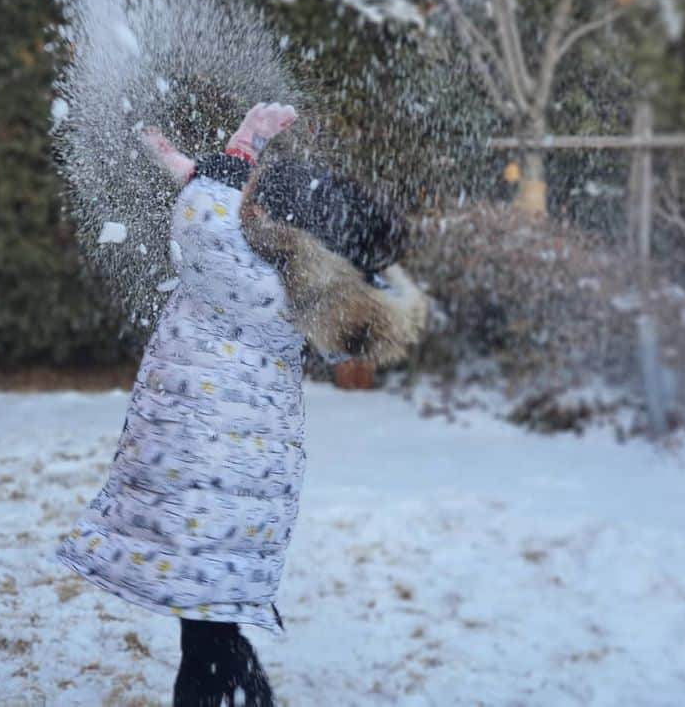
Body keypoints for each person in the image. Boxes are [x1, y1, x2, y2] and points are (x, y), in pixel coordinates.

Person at [58, 101, 425, 706]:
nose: (242, 195)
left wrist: (244, 142)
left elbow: (207, 216)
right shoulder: (305, 287)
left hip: (198, 469)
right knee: (212, 620)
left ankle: (238, 696)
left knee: (204, 641)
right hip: (245, 482)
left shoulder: (229, 265)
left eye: (253, 194)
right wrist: (192, 168)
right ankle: (255, 695)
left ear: (270, 222)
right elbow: (220, 208)